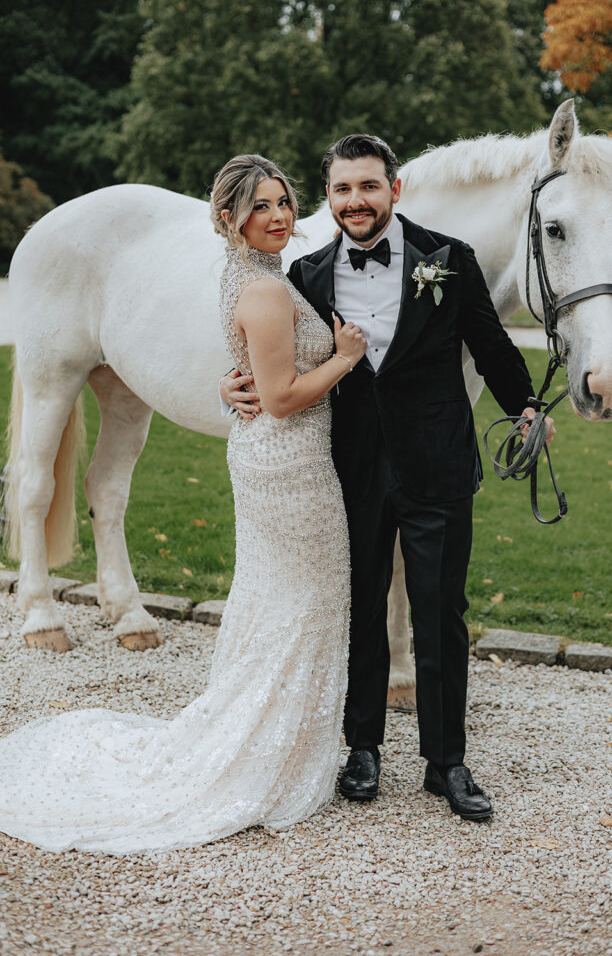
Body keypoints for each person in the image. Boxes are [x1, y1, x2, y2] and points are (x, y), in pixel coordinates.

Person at [0, 154, 367, 854]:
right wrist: (345, 354)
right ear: (229, 220)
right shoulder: (262, 289)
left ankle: (269, 741)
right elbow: (284, 395)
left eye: (284, 201)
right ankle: (262, 750)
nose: (281, 215)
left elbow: (259, 372)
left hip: (275, 459)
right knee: (299, 599)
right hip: (285, 461)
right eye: (261, 206)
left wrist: (245, 381)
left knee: (280, 600)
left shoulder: (259, 275)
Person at [223, 134, 555, 821]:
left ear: (393, 190)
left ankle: (446, 762)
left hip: (436, 467)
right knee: (361, 611)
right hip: (344, 472)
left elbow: (491, 348)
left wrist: (524, 407)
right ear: (330, 198)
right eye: (342, 189)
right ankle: (362, 748)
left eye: (368, 187)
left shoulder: (449, 260)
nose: (355, 201)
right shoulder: (305, 274)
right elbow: (271, 352)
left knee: (440, 615)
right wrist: (232, 385)